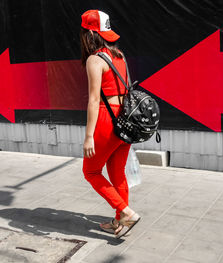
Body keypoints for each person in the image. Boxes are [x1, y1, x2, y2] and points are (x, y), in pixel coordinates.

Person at [80, 10, 140, 238]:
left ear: (88, 34)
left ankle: (125, 212)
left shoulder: (95, 60)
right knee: (117, 173)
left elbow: (94, 100)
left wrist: (88, 136)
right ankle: (119, 222)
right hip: (126, 119)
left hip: (107, 118)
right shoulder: (120, 55)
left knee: (91, 171)